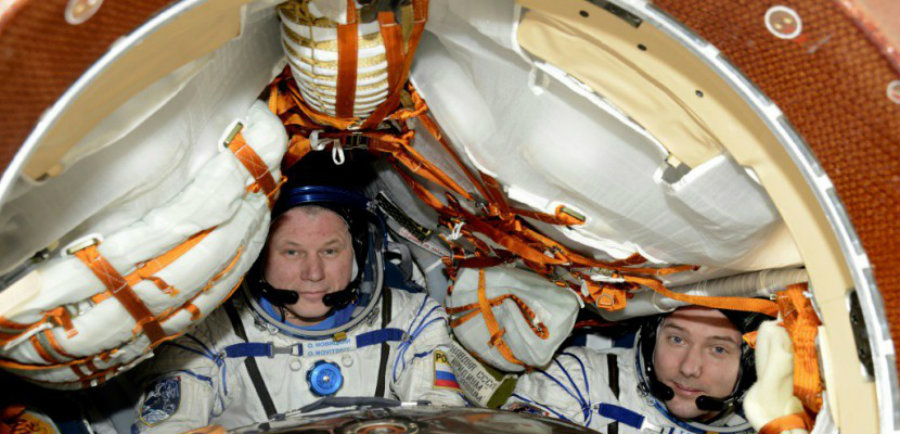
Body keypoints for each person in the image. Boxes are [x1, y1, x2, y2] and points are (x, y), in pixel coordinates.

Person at [130, 185, 466, 433]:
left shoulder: (411, 321)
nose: (313, 273)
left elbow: (439, 419)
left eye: (330, 251)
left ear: (358, 255)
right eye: (292, 252)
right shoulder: (206, 335)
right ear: (257, 257)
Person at [503, 306, 769, 434]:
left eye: (718, 350)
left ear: (749, 364)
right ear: (652, 340)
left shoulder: (771, 428)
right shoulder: (579, 379)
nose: (689, 368)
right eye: (677, 340)